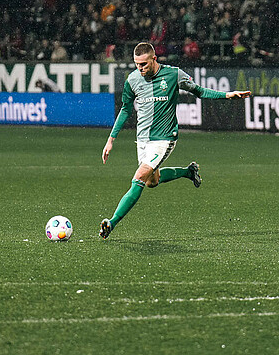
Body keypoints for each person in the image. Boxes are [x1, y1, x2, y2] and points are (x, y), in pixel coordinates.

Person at [100, 42, 251, 239]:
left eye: (144, 64)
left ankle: (111, 223)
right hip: (143, 139)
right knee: (151, 182)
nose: (140, 68)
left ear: (154, 59)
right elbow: (126, 108)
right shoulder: (133, 79)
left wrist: (227, 95)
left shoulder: (173, 74)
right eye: (137, 64)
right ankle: (188, 172)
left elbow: (200, 91)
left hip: (164, 138)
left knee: (138, 178)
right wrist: (111, 139)